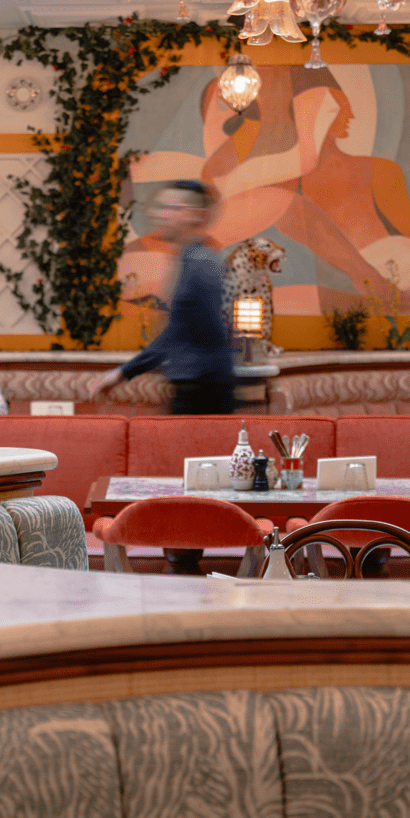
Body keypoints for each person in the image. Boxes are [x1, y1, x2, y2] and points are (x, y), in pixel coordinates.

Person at [90, 179, 235, 573]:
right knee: (193, 485)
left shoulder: (200, 264)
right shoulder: (192, 259)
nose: (160, 214)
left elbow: (187, 333)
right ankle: (186, 560)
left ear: (195, 215)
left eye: (171, 207)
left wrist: (124, 371)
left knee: (196, 486)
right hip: (197, 385)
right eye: (160, 206)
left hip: (202, 391)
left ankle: (188, 566)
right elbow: (184, 333)